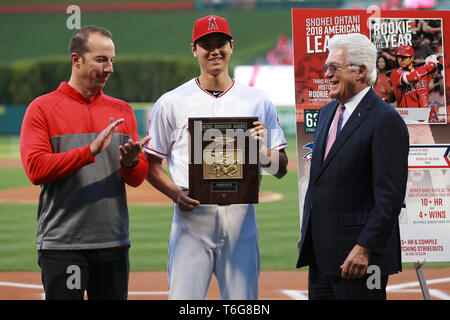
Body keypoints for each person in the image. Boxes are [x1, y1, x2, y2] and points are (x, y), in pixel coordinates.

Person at [144, 15, 288, 300]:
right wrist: (175, 194)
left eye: (220, 42)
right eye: (205, 44)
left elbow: (280, 169)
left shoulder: (258, 100)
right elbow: (151, 165)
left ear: (231, 45)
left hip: (241, 218)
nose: (214, 50)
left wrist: (261, 153)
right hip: (191, 219)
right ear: (194, 49)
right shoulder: (171, 101)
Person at [20, 25, 150, 300]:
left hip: (114, 244)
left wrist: (130, 162)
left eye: (112, 60)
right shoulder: (42, 108)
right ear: (76, 60)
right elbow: (36, 169)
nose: (110, 68)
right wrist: (88, 151)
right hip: (64, 246)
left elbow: (136, 178)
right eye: (101, 60)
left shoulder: (122, 110)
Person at [296, 33, 409, 300]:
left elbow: (390, 197)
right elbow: (318, 182)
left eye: (333, 68)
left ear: (361, 72)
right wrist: (307, 232)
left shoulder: (385, 120)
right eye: (326, 67)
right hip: (321, 257)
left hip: (359, 261)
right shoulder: (326, 114)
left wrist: (365, 247)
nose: (326, 74)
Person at [390, 44, 440, 109]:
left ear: (412, 58)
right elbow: (412, 77)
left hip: (424, 114)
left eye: (404, 57)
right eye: (399, 57)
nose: (401, 60)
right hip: (407, 115)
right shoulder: (395, 73)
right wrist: (430, 64)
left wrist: (437, 59)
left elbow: (445, 64)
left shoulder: (422, 71)